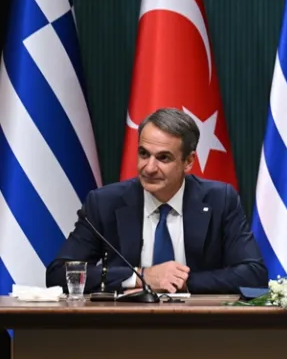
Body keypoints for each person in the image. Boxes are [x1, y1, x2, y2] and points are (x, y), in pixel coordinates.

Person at [46, 108, 268, 294]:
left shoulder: (220, 200)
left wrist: (179, 281)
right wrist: (140, 277)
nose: (149, 168)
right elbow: (58, 274)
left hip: (199, 324)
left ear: (188, 162)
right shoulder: (105, 203)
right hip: (124, 325)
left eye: (163, 158)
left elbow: (254, 274)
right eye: (144, 154)